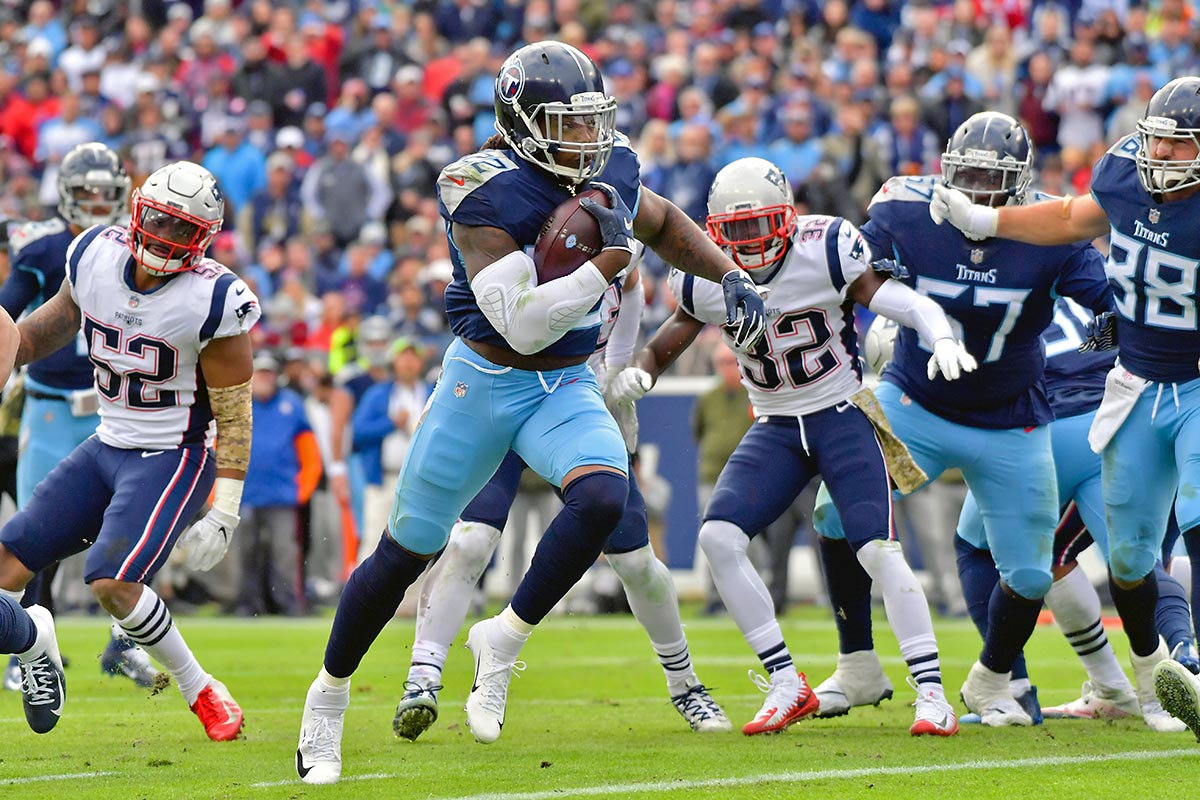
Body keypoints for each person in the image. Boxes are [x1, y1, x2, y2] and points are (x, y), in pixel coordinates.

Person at [295, 40, 766, 785]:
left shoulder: (608, 172)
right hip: (484, 380)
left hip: (565, 383)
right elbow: (520, 321)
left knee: (605, 495)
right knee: (404, 553)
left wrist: (728, 271)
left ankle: (504, 636)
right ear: (521, 122)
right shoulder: (478, 189)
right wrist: (606, 266)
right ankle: (327, 700)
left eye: (593, 123)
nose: (589, 140)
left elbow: (662, 219)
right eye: (569, 125)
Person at [608, 156, 975, 736]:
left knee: (878, 550)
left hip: (840, 413)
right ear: (714, 232)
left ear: (788, 217)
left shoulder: (826, 247)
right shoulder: (705, 274)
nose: (750, 243)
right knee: (718, 538)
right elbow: (670, 337)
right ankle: (786, 681)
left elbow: (900, 300)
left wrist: (941, 336)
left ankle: (931, 693)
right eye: (736, 231)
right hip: (776, 424)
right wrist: (642, 371)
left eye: (761, 226)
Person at [813, 111, 1113, 727]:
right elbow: (849, 275)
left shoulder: (1049, 229)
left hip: (1013, 420)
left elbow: (1112, 305)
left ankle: (993, 679)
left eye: (992, 177)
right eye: (967, 173)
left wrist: (1108, 346)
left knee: (1030, 571)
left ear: (1021, 183)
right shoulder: (904, 210)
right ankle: (857, 663)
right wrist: (880, 320)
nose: (976, 188)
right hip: (915, 402)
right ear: (946, 165)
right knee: (833, 510)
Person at [929, 79, 1200, 737]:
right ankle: (1144, 676)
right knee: (1133, 561)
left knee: (1195, 512)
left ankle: (1027, 682)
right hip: (1130, 391)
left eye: (1178, 141)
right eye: (1155, 136)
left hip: (1181, 387)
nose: (1161, 151)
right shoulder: (1117, 178)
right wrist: (989, 221)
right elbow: (1076, 219)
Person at [392, 256, 732, 742]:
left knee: (635, 562)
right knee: (470, 540)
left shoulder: (608, 219)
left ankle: (685, 683)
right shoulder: (520, 226)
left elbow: (632, 284)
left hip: (569, 400)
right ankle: (423, 676)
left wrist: (616, 370)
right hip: (502, 394)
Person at [0, 161, 258, 741]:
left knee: (111, 582)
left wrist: (226, 507)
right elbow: (51, 327)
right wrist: (8, 352)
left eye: (181, 230)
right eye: (161, 222)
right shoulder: (92, 252)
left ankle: (201, 689)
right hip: (106, 443)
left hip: (174, 453)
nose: (165, 239)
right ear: (139, 211)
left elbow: (234, 411)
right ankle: (35, 643)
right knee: (5, 568)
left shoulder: (214, 298)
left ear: (204, 240)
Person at [952, 298, 1189, 730]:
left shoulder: (1011, 277)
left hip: (1044, 427)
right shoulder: (1104, 275)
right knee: (1133, 562)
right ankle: (1167, 667)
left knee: (979, 548)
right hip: (1131, 422)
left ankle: (1010, 689)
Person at [0, 143, 160, 692]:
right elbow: (6, 311)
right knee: (33, 536)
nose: (95, 201)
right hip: (47, 409)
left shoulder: (132, 254)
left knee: (131, 534)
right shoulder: (45, 249)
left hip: (111, 414)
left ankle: (125, 643)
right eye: (86, 192)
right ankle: (26, 650)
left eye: (104, 193)